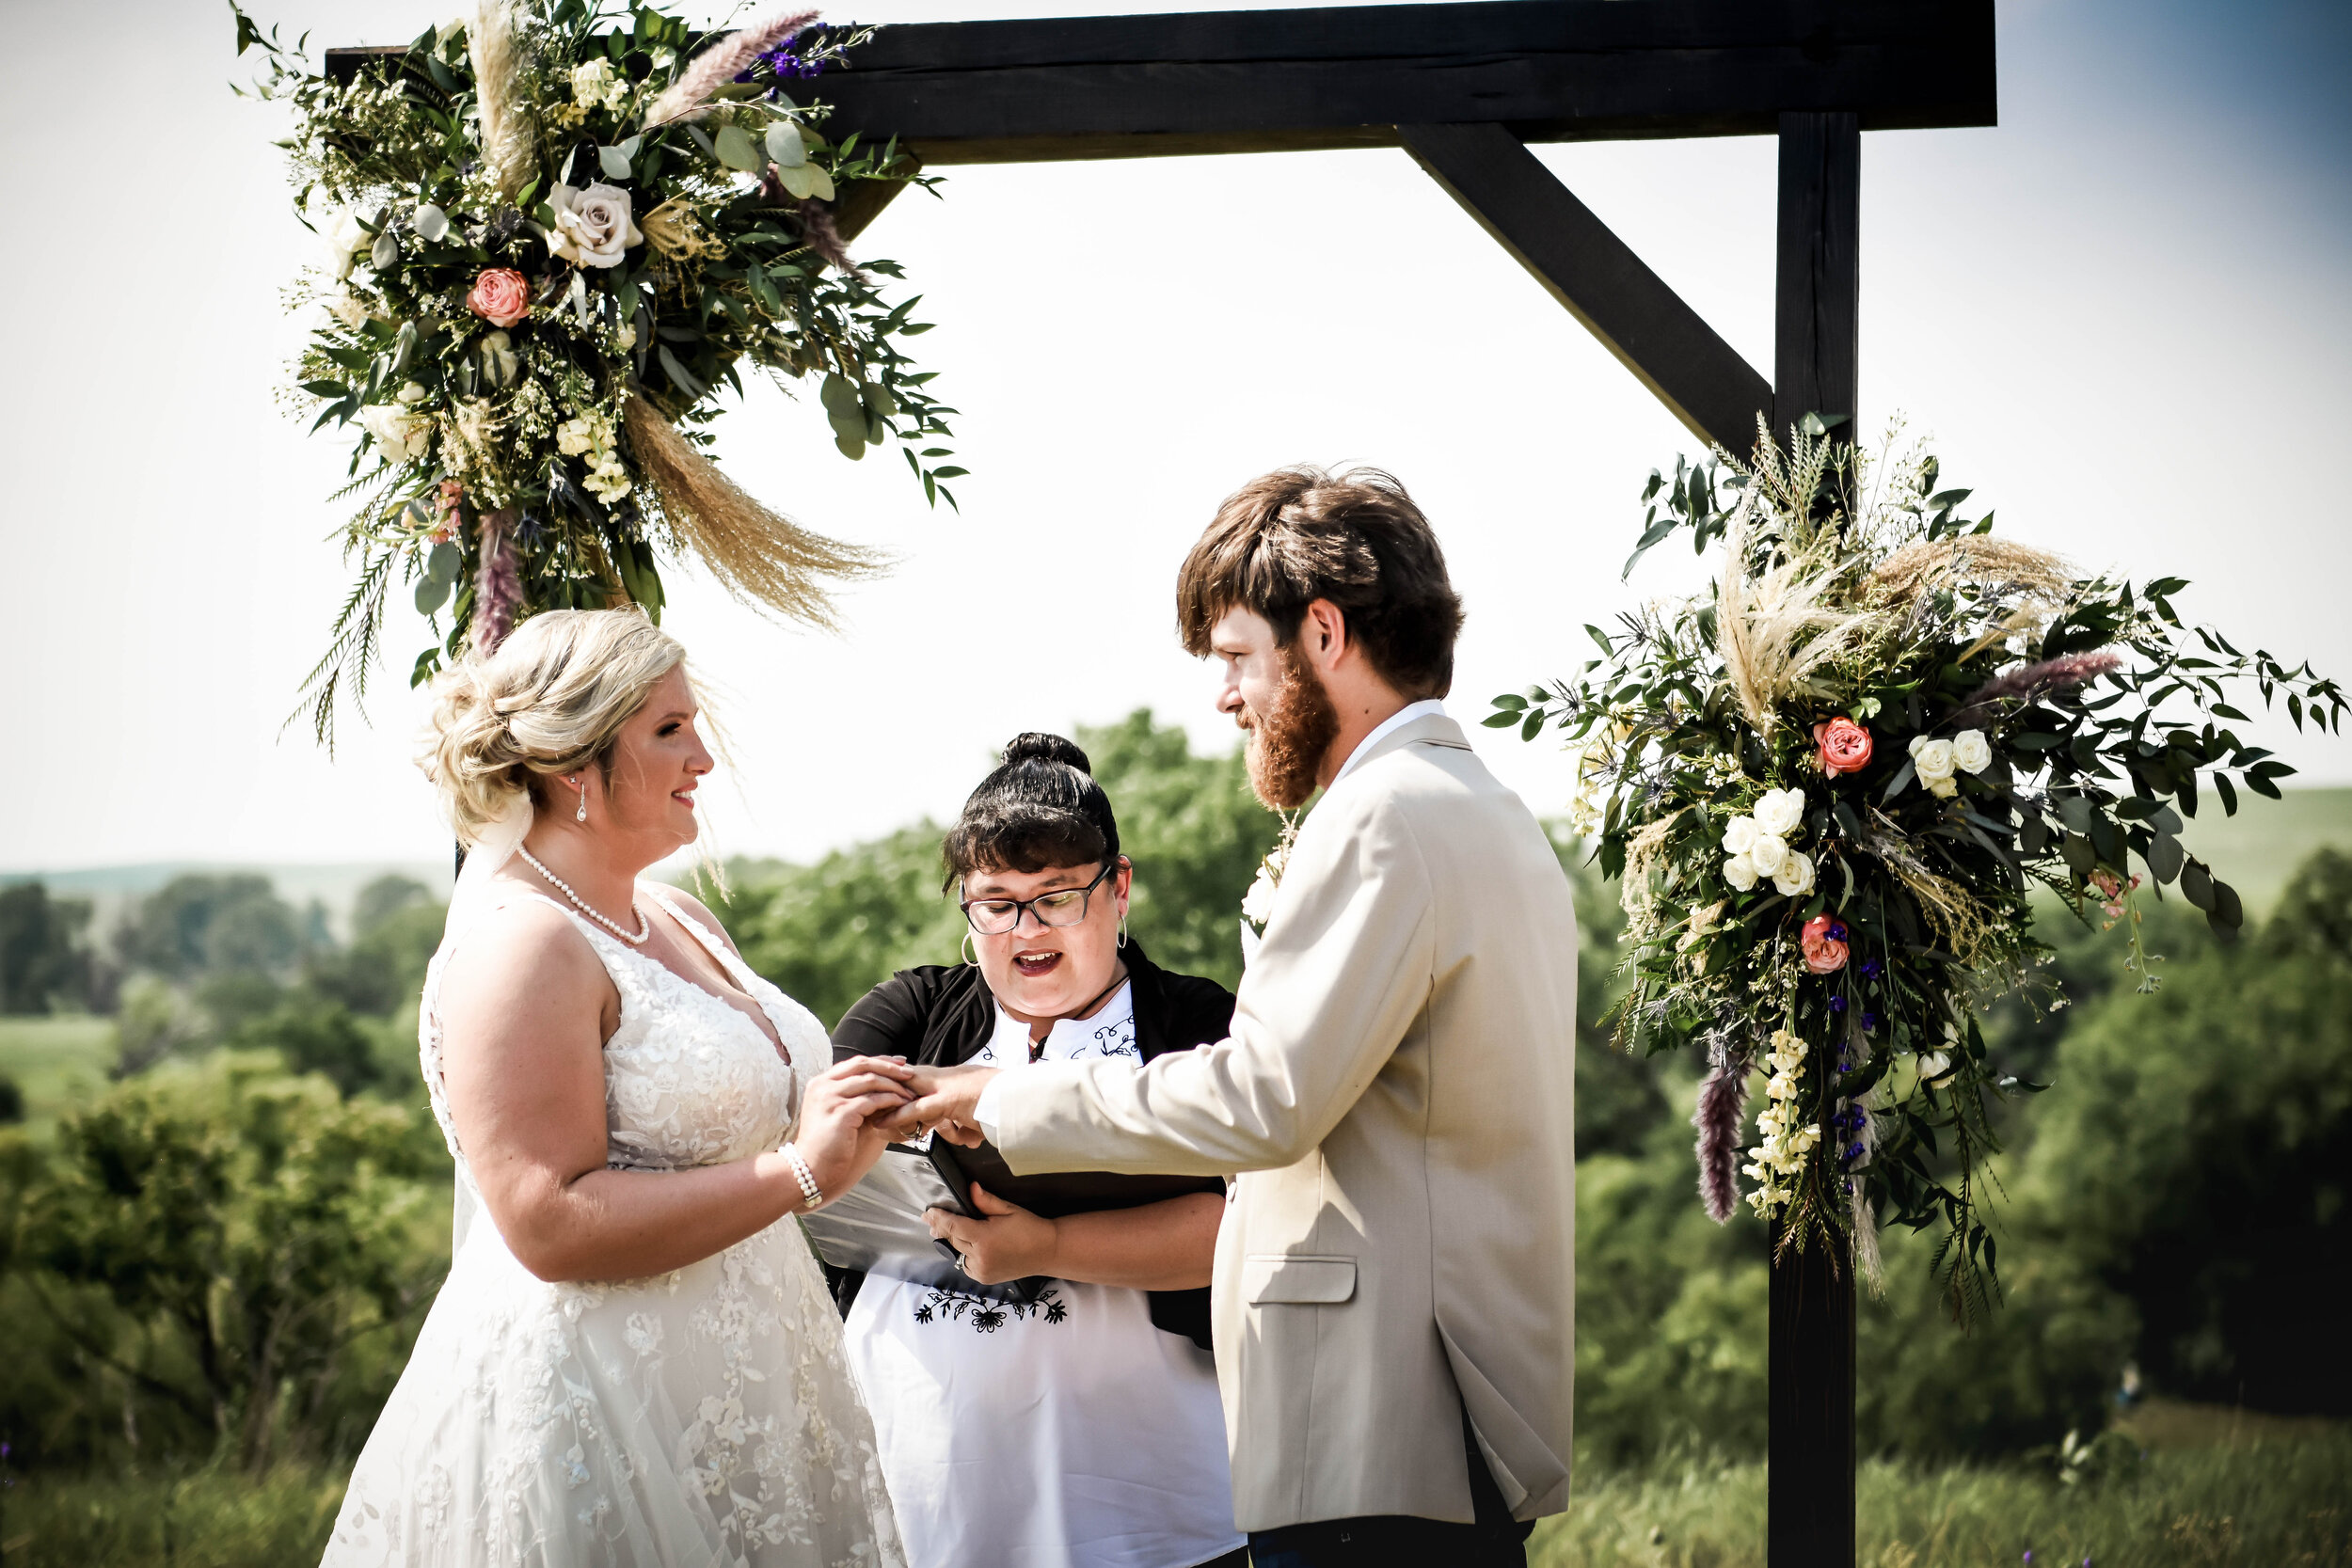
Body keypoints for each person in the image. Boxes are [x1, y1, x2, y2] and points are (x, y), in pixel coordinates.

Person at [892, 468, 1580, 1567]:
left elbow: (1266, 1094)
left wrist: (1007, 1096)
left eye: (1234, 658)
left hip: (1374, 1405)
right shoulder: (1490, 811)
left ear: (1321, 632)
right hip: (1454, 1396)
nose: (1224, 698)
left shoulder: (1382, 818)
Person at [324, 608, 912, 1568]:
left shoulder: (672, 914)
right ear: (571, 765)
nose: (704, 758)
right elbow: (548, 1218)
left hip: (754, 1378)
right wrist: (800, 1172)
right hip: (607, 1409)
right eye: (669, 730)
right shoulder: (522, 943)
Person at [825, 733, 1249, 1568]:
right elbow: (827, 1159)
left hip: (1148, 1496)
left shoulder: (1200, 1025)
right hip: (932, 1486)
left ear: (1118, 887)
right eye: (995, 901)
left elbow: (1237, 1229)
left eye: (1056, 896)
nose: (1026, 929)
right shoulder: (906, 1012)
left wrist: (1048, 1245)